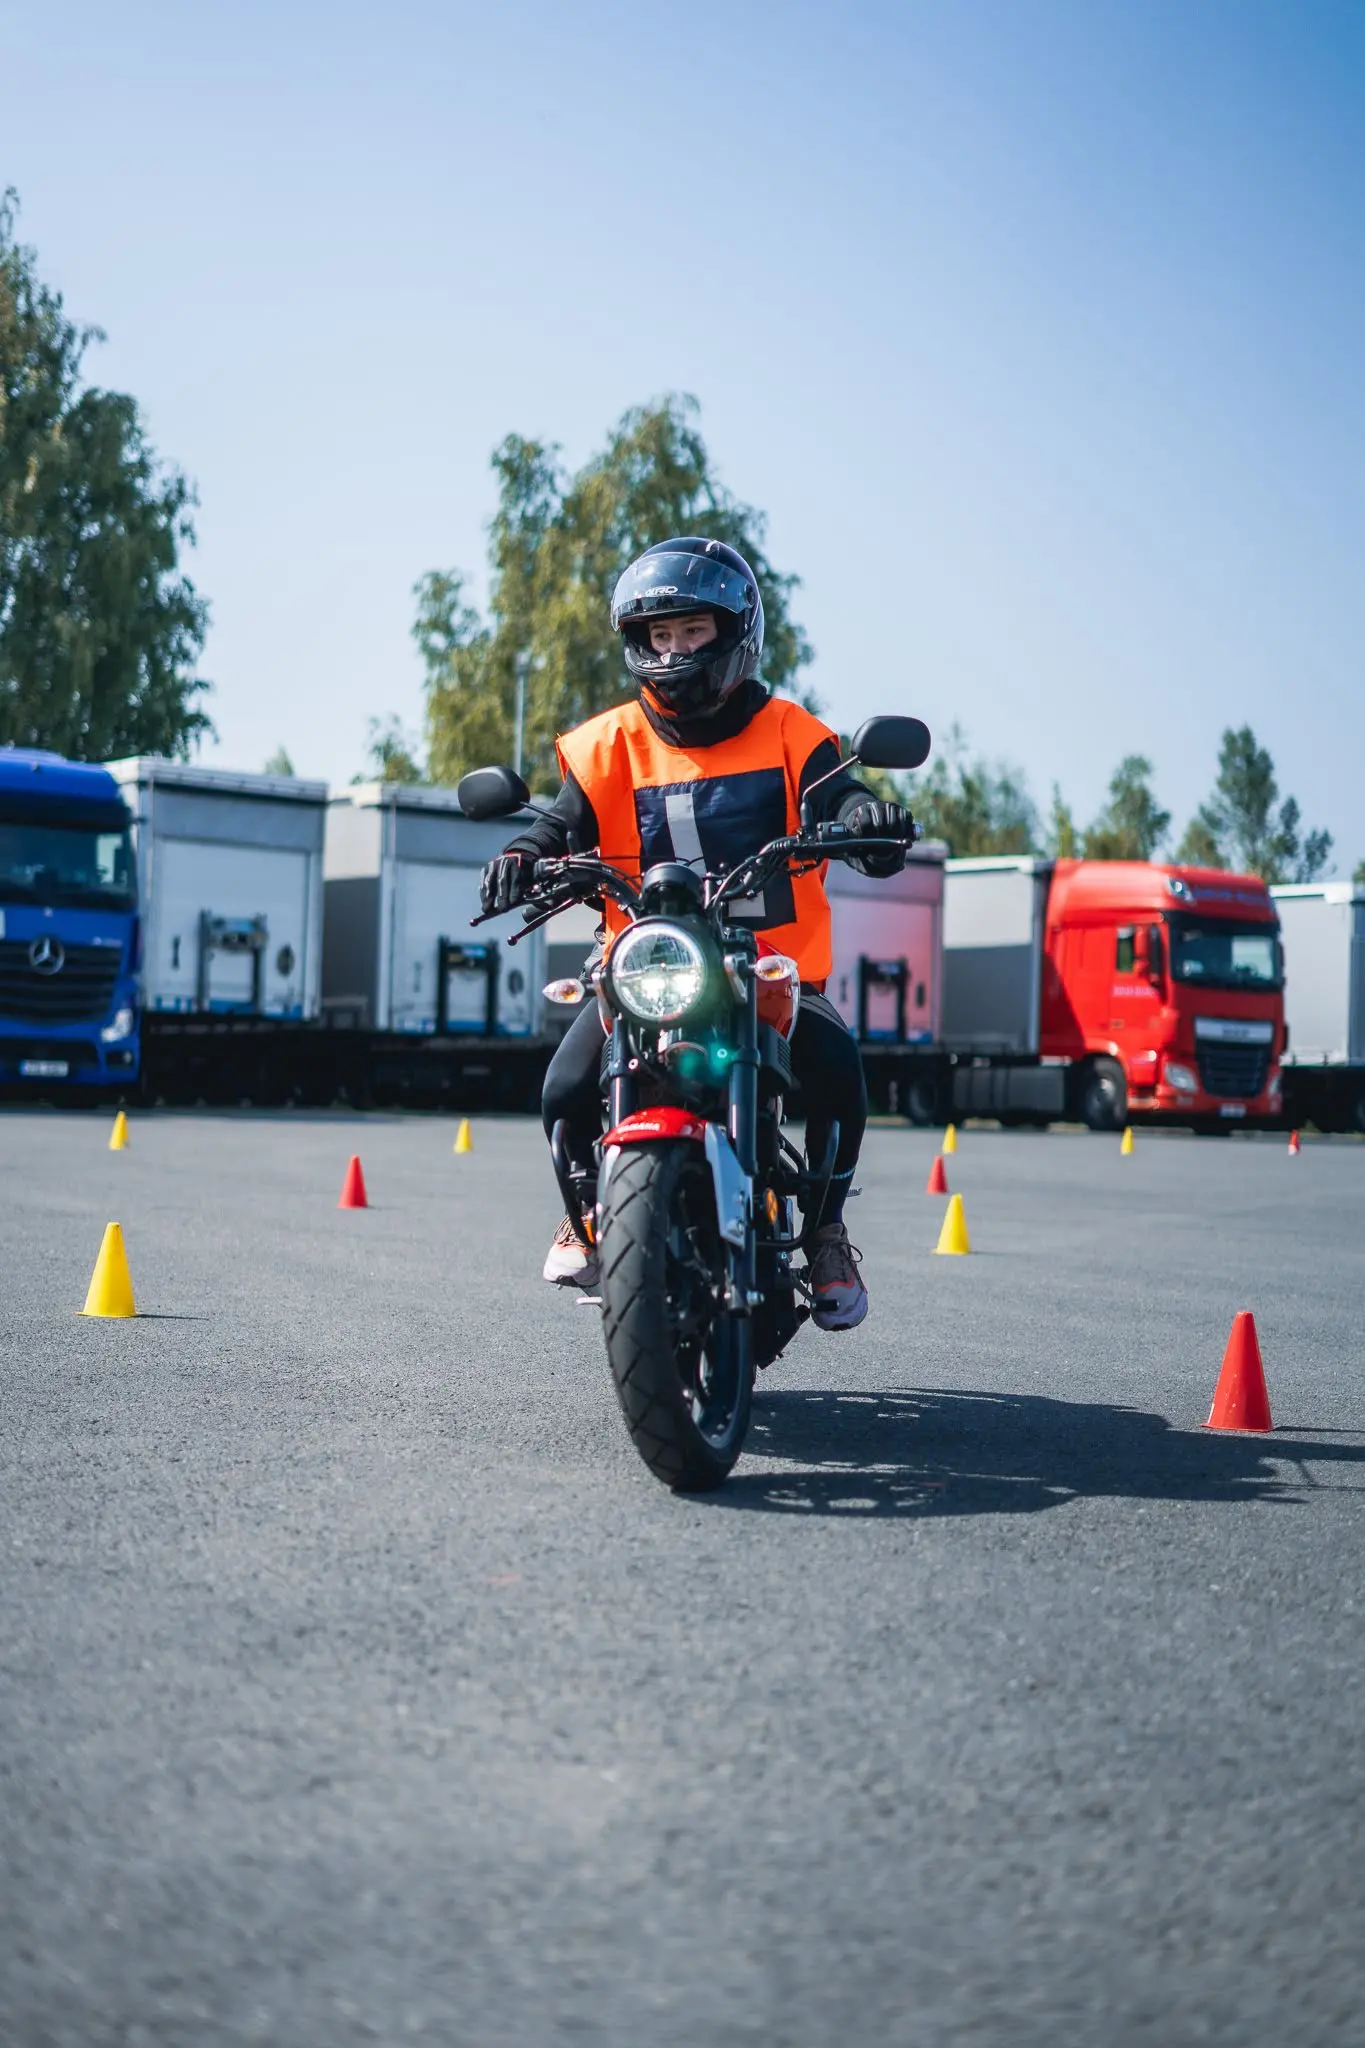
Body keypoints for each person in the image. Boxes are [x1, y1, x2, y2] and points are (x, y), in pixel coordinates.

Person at [479, 535, 914, 1331]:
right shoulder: (606, 742)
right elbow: (557, 822)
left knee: (840, 1073)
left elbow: (838, 795)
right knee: (563, 1091)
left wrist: (865, 819)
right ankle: (588, 1217)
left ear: (733, 634)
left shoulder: (790, 731)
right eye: (659, 635)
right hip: (647, 964)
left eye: (692, 632)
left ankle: (823, 1233)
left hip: (770, 969)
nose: (673, 649)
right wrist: (519, 853)